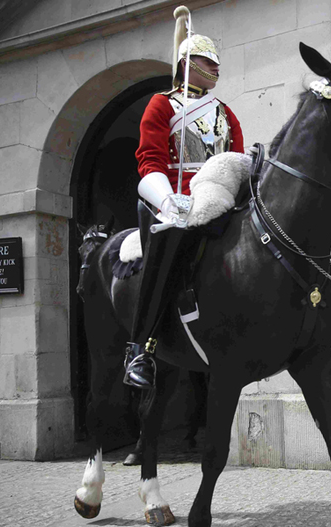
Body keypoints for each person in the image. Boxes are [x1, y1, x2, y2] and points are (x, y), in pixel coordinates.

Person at [123, 6, 245, 389]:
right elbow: (149, 160)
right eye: (208, 60)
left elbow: (236, 160)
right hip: (175, 198)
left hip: (222, 196)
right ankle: (140, 349)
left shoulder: (226, 113)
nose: (216, 67)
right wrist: (167, 201)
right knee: (167, 246)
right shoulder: (162, 104)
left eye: (217, 61)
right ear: (187, 64)